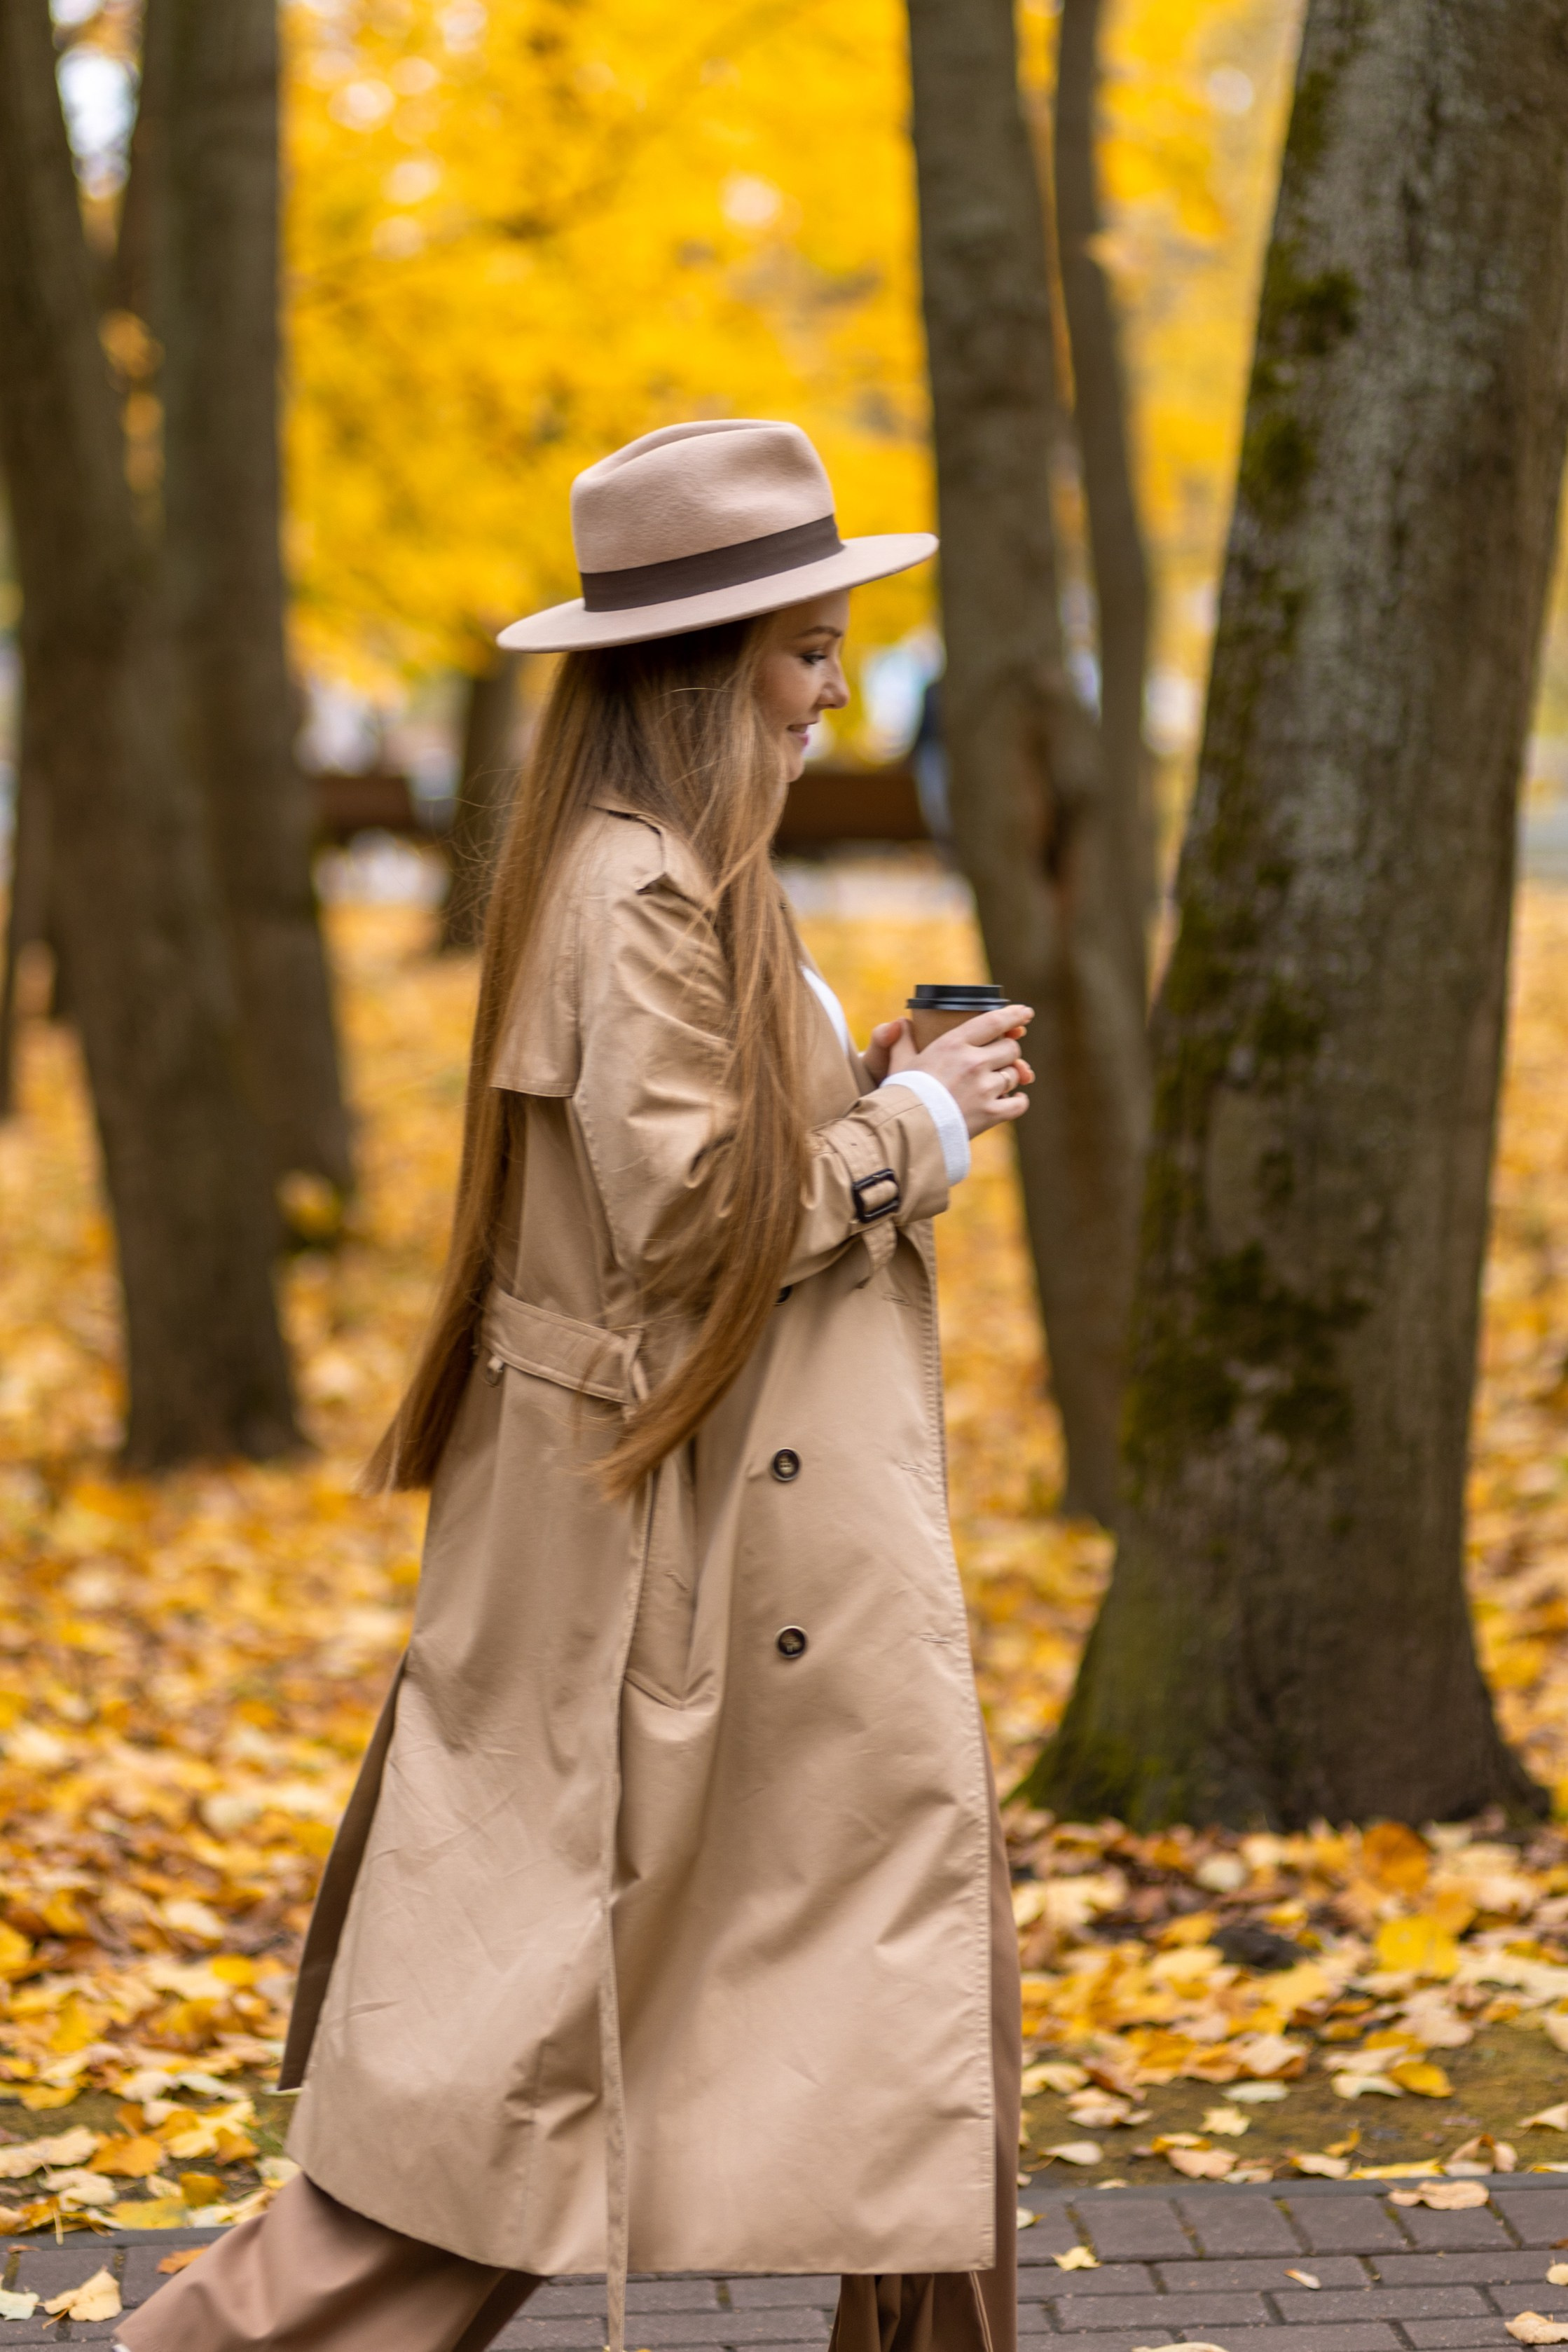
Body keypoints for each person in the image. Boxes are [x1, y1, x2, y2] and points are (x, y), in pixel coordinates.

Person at [118, 419, 1033, 2352]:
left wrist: (860, 1084)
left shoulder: (668, 871)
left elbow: (685, 1160)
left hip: (727, 1560)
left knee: (904, 2030)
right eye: (806, 649)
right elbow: (692, 1218)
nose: (836, 687)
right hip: (678, 1582)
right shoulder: (638, 890)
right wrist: (912, 1134)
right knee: (505, 2089)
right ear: (703, 671)